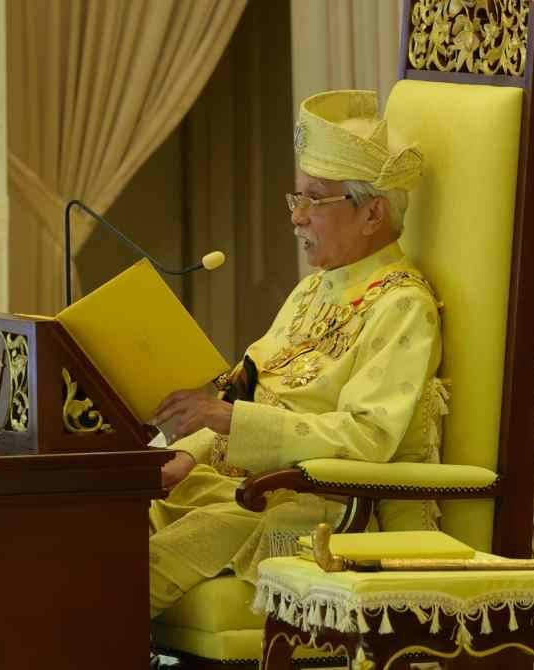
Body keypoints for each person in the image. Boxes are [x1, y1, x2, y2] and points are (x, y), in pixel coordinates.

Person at [148, 90, 448, 619]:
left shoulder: (402, 305)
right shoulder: (311, 291)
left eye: (315, 201)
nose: (297, 219)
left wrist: (231, 421)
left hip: (318, 509)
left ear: (373, 212)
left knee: (122, 569)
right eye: (297, 199)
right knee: (100, 518)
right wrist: (189, 451)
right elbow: (249, 388)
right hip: (243, 486)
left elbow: (368, 438)